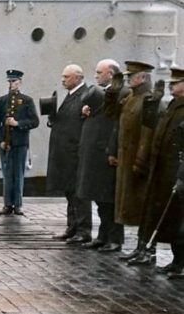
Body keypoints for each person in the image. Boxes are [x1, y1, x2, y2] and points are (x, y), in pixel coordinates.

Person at [135, 66, 184, 278]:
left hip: (176, 174)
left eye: (176, 82)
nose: (171, 85)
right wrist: (153, 101)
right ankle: (176, 261)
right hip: (163, 172)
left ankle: (180, 262)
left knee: (177, 219)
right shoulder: (172, 106)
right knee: (168, 219)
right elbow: (152, 126)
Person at [107, 61, 155, 263]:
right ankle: (139, 247)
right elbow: (113, 119)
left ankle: (145, 248)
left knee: (142, 206)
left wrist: (140, 161)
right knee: (128, 206)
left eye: (131, 76)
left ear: (143, 78)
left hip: (137, 163)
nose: (128, 79)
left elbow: (147, 133)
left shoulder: (149, 100)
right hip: (125, 161)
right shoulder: (129, 98)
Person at [76, 60, 123, 251]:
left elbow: (116, 125)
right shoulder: (106, 94)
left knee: (109, 199)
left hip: (105, 154)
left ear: (111, 74)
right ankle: (103, 236)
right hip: (96, 154)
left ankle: (114, 238)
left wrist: (111, 150)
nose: (95, 76)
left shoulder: (119, 93)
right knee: (101, 199)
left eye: (99, 72)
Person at [46, 64, 90, 242]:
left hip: (75, 153)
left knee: (78, 193)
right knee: (70, 192)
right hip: (66, 153)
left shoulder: (85, 96)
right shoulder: (71, 95)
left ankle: (83, 230)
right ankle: (72, 227)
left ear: (78, 78)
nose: (63, 80)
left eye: (66, 77)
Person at [0, 69, 39, 216]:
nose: (12, 84)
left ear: (20, 82)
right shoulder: (1, 101)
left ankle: (18, 204)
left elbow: (34, 121)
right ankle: (7, 204)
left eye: (14, 81)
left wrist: (17, 123)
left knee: (18, 174)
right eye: (10, 81)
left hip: (20, 143)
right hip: (6, 143)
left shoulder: (27, 101)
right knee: (7, 174)